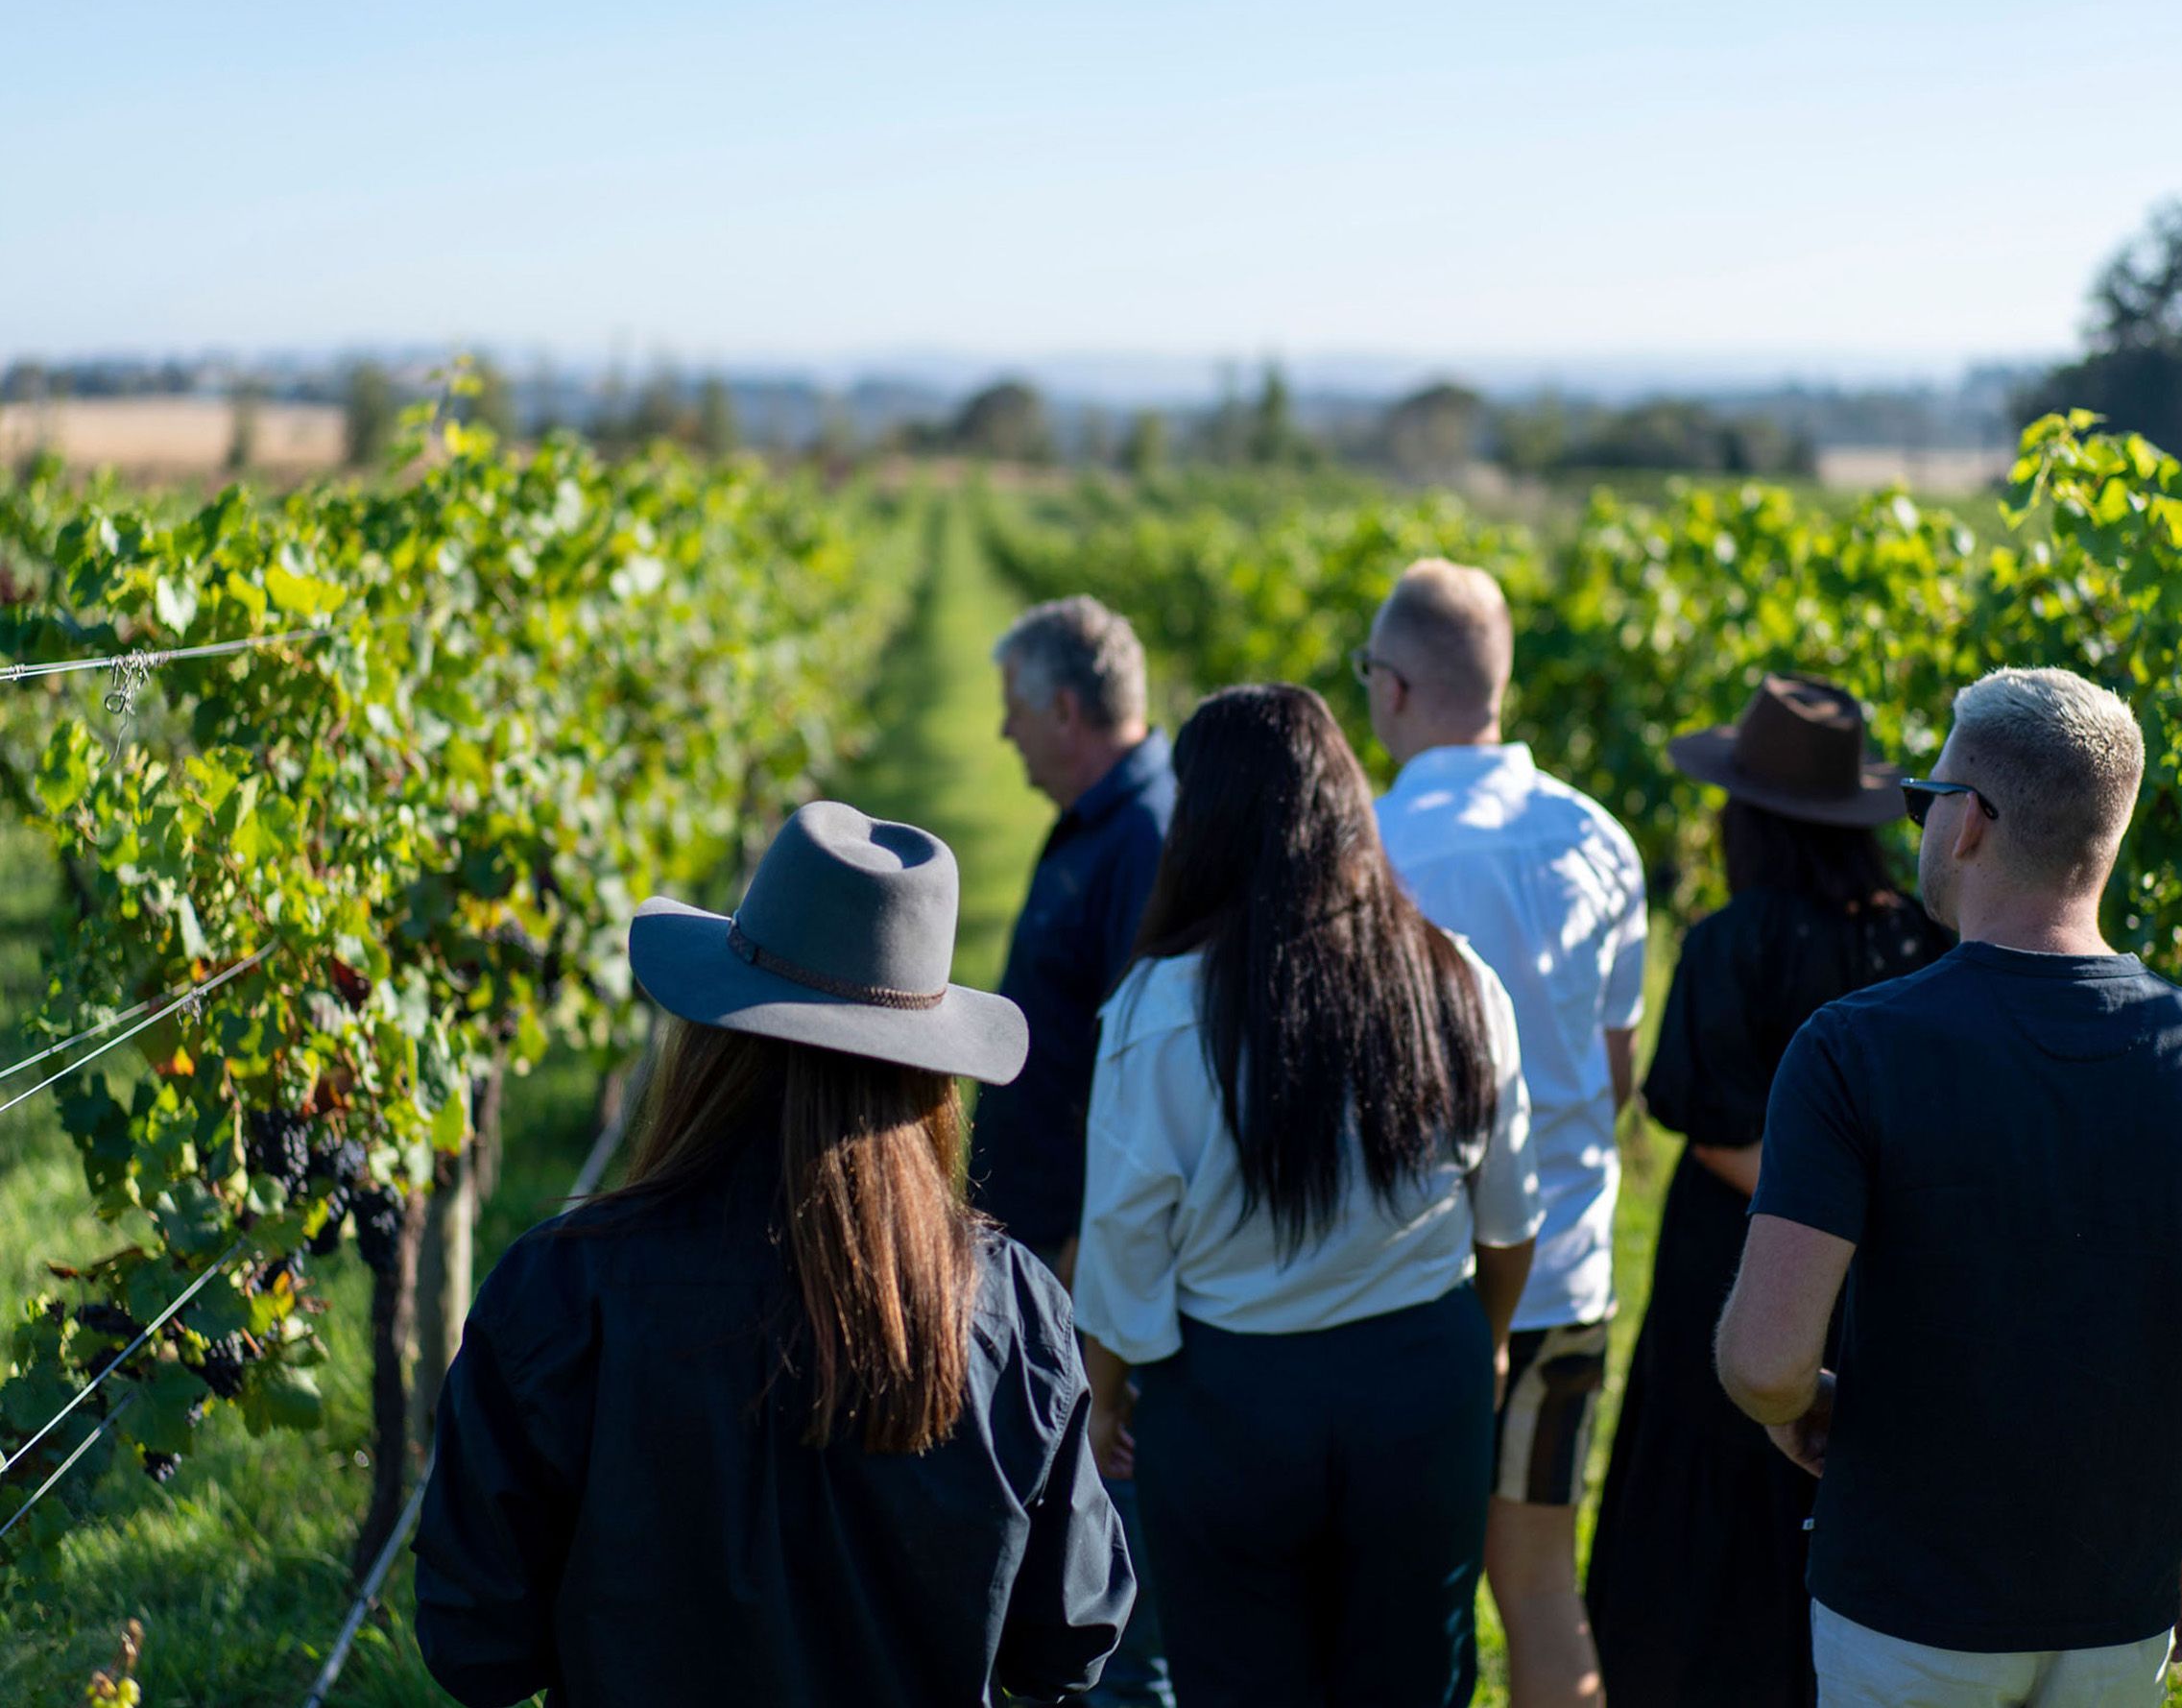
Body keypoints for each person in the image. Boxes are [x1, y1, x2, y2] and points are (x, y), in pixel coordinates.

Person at [414, 802, 1135, 1708]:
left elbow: (475, 1640)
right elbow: (1069, 1636)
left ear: (715, 1038)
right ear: (929, 1077)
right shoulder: (1008, 1309)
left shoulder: (566, 1289)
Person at [1716, 666, 2182, 1707]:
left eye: (1925, 799)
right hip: (2119, 1608)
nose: (1920, 825)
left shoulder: (1856, 1050)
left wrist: (1802, 1403)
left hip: (1908, 1604)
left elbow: (1765, 1362)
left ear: (1973, 823)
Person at [1072, 683, 1543, 1708]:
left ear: (1203, 821)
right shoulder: (1455, 980)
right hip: (1423, 1389)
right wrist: (1489, 1343)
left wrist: (1106, 1395)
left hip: (1234, 1406)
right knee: (1417, 1677)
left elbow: (1122, 1243)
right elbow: (1509, 1224)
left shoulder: (1158, 1009)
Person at [1584, 674, 1948, 1706]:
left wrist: (1810, 1206)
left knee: (1704, 1560)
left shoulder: (1730, 942)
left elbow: (1712, 1127)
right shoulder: (1917, 944)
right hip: (1876, 1294)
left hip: (1735, 1283)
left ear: (1749, 816)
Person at [1360, 558, 1646, 1708]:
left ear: (1391, 689)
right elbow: (1613, 1073)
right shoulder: (1599, 838)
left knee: (1399, 1586)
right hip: (1563, 1272)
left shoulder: (1367, 848)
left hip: (1406, 1285)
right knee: (1537, 1586)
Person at [971, 593, 1176, 1706]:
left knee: (1103, 1581)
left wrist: (1097, 1330)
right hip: (1056, 1263)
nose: (1003, 735)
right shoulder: (1105, 817)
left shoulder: (1143, 837)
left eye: (1012, 710)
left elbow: (1141, 1107)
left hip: (1085, 1278)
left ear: (1062, 707)